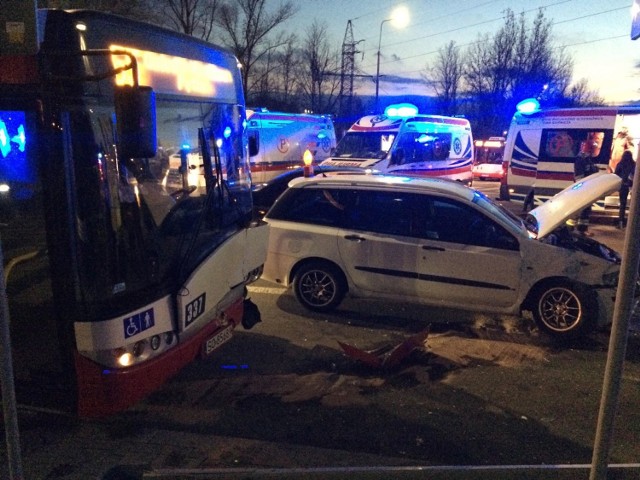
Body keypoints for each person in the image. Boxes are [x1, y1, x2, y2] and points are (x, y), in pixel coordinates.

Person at [614, 149, 635, 229]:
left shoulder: (620, 164)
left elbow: (616, 174)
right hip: (631, 186)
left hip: (623, 186)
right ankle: (631, 223)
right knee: (632, 205)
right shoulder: (633, 164)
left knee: (622, 204)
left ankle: (621, 222)